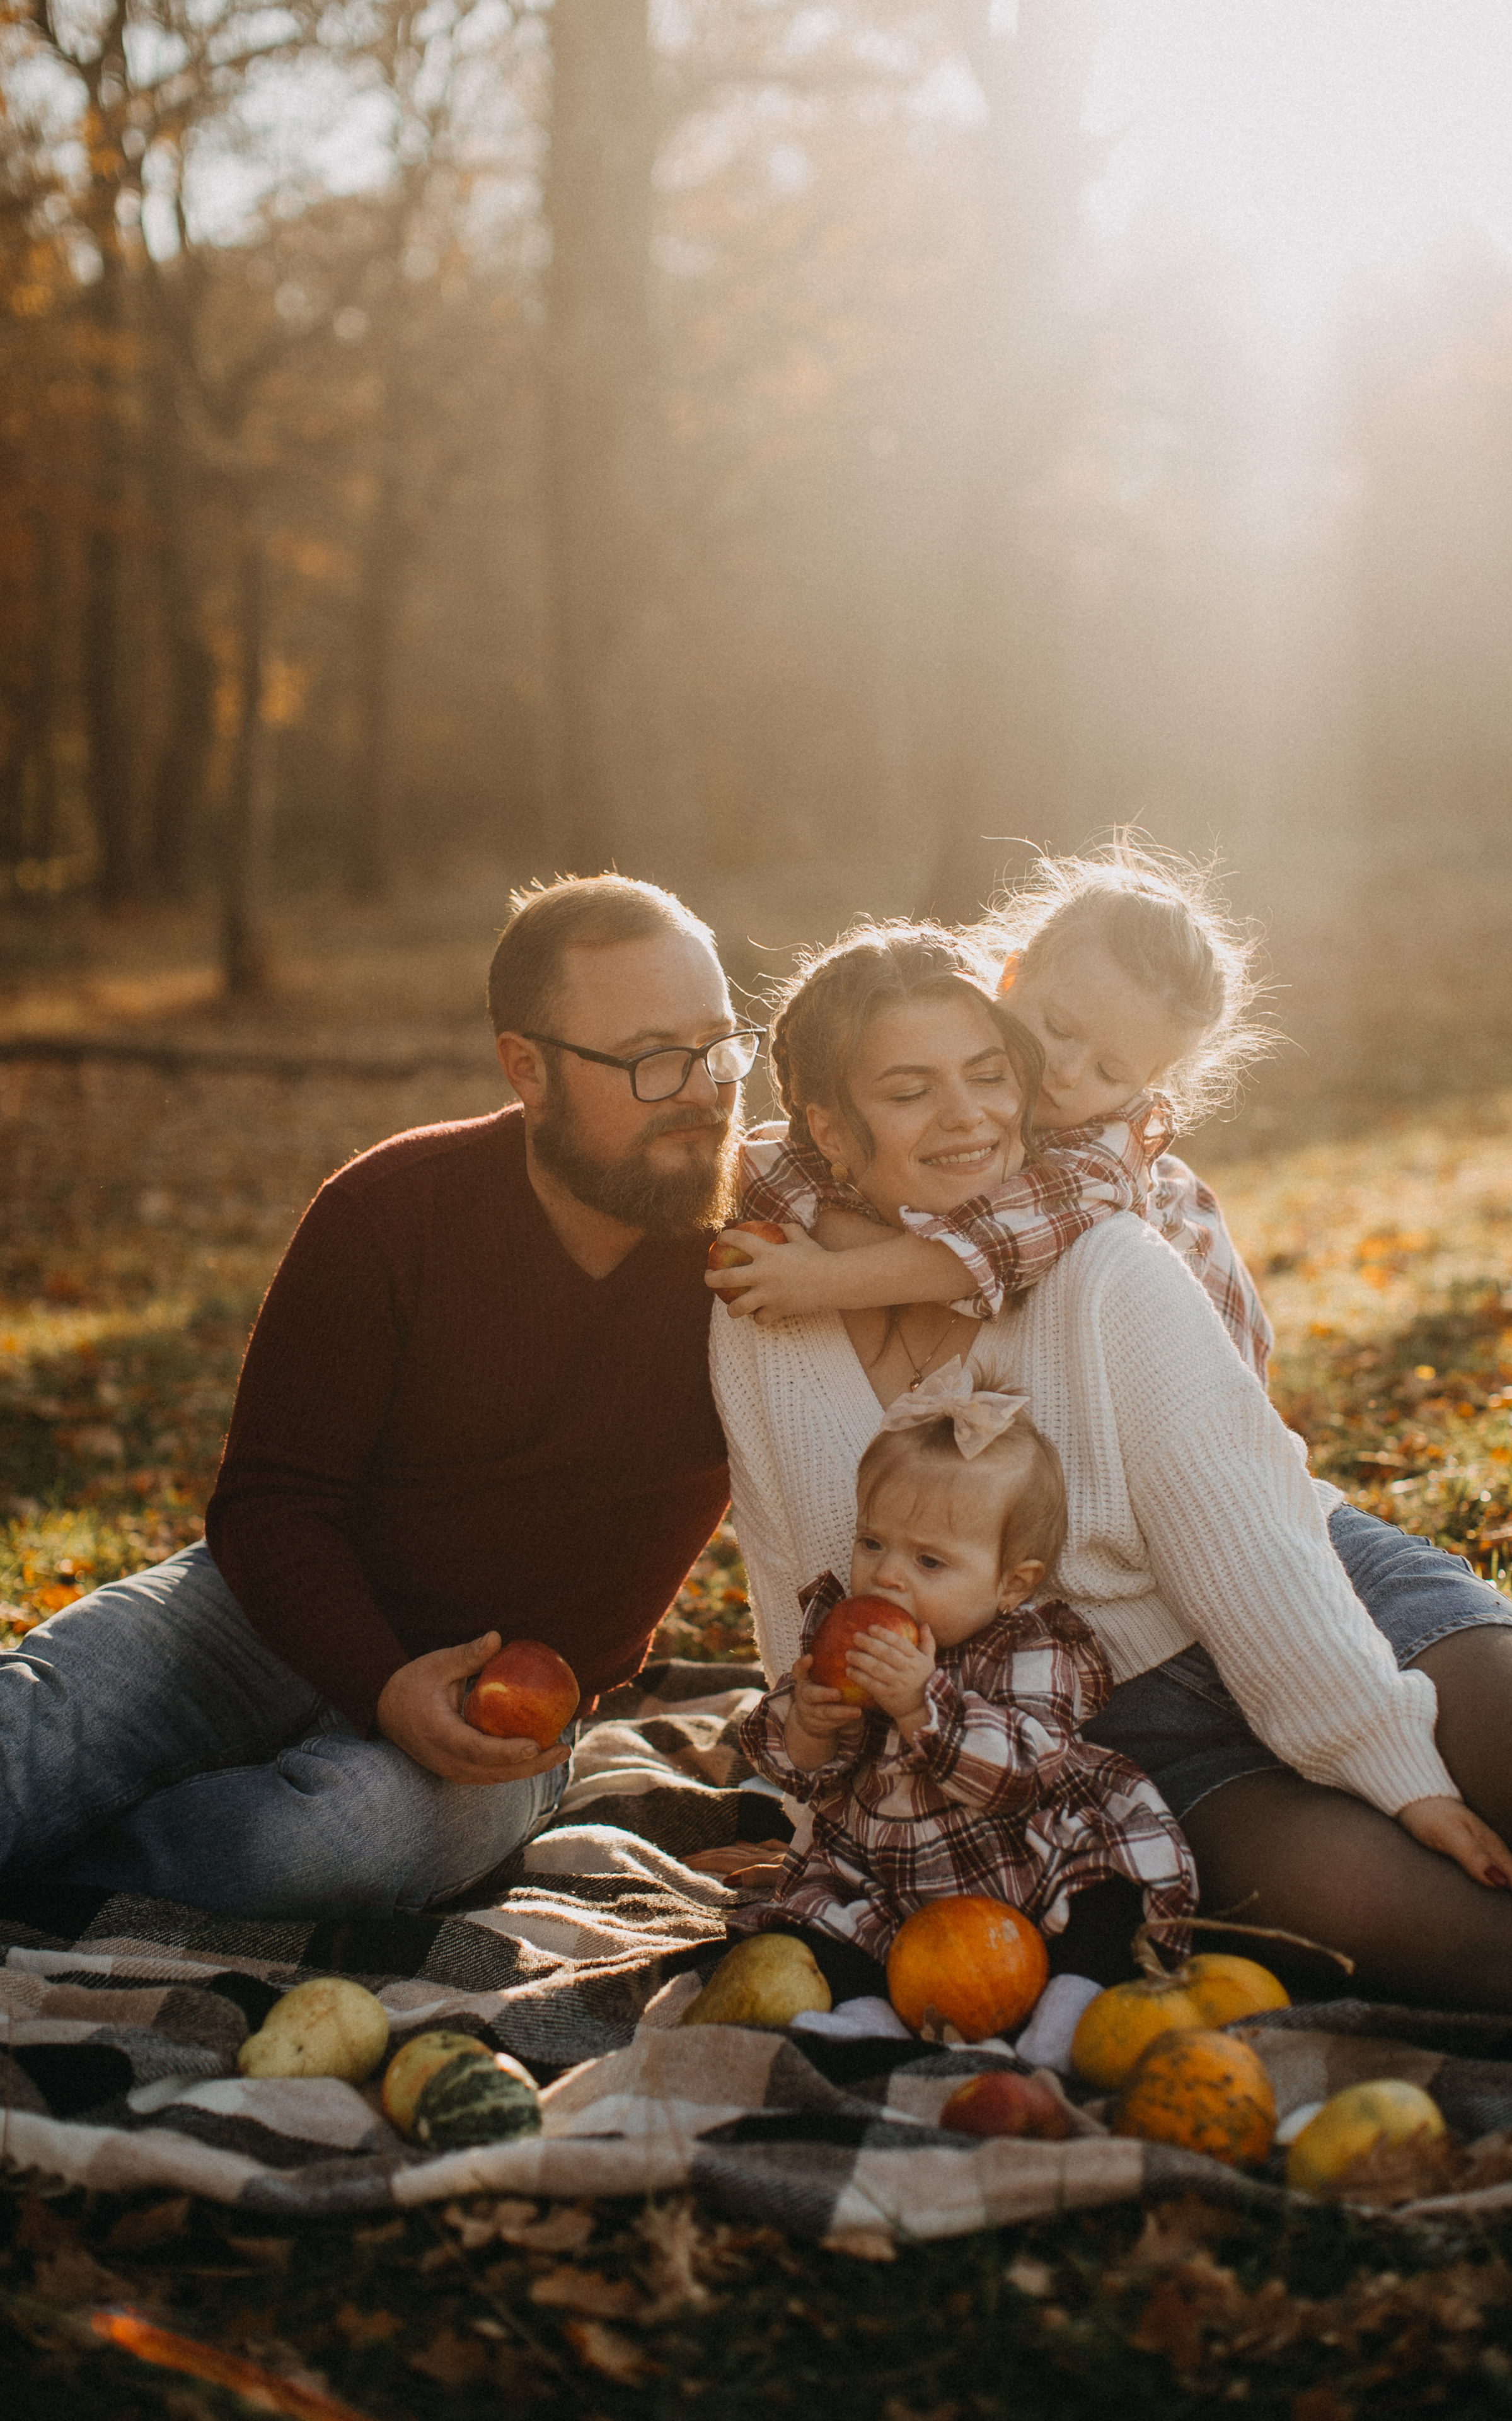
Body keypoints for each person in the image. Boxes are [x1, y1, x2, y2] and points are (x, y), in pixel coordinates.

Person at [710, 920, 1512, 2009]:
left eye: (991, 1074)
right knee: (1430, 1927)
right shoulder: (773, 1307)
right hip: (1114, 1725)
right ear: (828, 1125)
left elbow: (1246, 1535)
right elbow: (807, 1582)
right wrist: (839, 1818)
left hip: (1319, 1592)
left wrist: (1394, 1767)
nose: (971, 1115)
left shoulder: (1097, 1249)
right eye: (909, 1091)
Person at [0, 876, 755, 1919]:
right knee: (39, 1726)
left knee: (333, 1844)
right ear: (526, 1070)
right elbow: (269, 1505)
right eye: (651, 1060)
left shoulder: (768, 1265)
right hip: (265, 1614)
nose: (705, 1090)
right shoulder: (391, 1214)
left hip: (509, 1710)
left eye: (720, 1047)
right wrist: (379, 1680)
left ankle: (71, 1873)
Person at [706, 839, 1273, 1381]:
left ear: (1146, 1086)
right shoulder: (959, 1075)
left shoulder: (1106, 1153)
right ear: (1009, 977)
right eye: (1058, 1028)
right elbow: (773, 1165)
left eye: (1110, 1072)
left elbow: (986, 1249)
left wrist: (826, 1278)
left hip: (1191, 1385)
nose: (1068, 1073)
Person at [730, 1363, 1196, 2002]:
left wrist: (922, 1706)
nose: (887, 1576)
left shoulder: (1031, 1649)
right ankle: (868, 2012)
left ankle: (1073, 2008)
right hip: (884, 1886)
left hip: (1021, 1874)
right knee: (804, 1933)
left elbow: (1023, 1772)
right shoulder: (848, 1638)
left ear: (1012, 1584)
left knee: (1108, 1901)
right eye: (871, 1542)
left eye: (928, 1560)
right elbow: (792, 1765)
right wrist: (807, 1727)